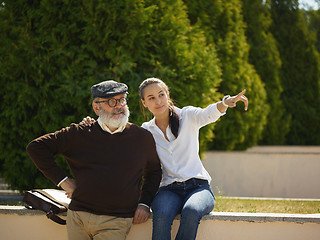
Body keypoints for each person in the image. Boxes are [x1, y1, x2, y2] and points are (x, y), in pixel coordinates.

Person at [82, 77, 248, 240]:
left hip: (198, 187)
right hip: (168, 189)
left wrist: (225, 102)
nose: (158, 101)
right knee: (161, 215)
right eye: (151, 98)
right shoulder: (146, 131)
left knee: (191, 211)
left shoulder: (187, 116)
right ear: (144, 103)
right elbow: (119, 144)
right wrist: (93, 126)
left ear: (168, 95)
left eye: (161, 95)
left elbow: (208, 114)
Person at [26, 80, 162, 240]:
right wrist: (63, 181)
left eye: (122, 100)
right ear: (97, 108)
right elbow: (36, 148)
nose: (119, 105)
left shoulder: (142, 137)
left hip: (116, 220)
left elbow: (153, 172)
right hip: (78, 217)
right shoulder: (79, 133)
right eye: (112, 101)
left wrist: (144, 203)